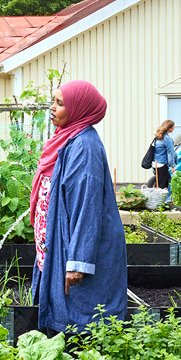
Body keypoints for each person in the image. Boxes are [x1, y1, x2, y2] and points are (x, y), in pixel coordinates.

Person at [29, 80, 127, 335]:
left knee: (79, 322)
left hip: (73, 247)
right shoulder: (67, 139)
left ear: (78, 110)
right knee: (63, 316)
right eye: (54, 101)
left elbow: (87, 207)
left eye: (60, 103)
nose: (52, 108)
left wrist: (78, 262)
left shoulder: (84, 147)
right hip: (58, 241)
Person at [152, 120, 177, 189]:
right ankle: (157, 196)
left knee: (166, 181)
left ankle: (165, 195)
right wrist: (172, 165)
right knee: (161, 186)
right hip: (162, 164)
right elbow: (170, 153)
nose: (174, 128)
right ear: (170, 128)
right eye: (173, 126)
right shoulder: (167, 139)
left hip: (155, 163)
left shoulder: (158, 137)